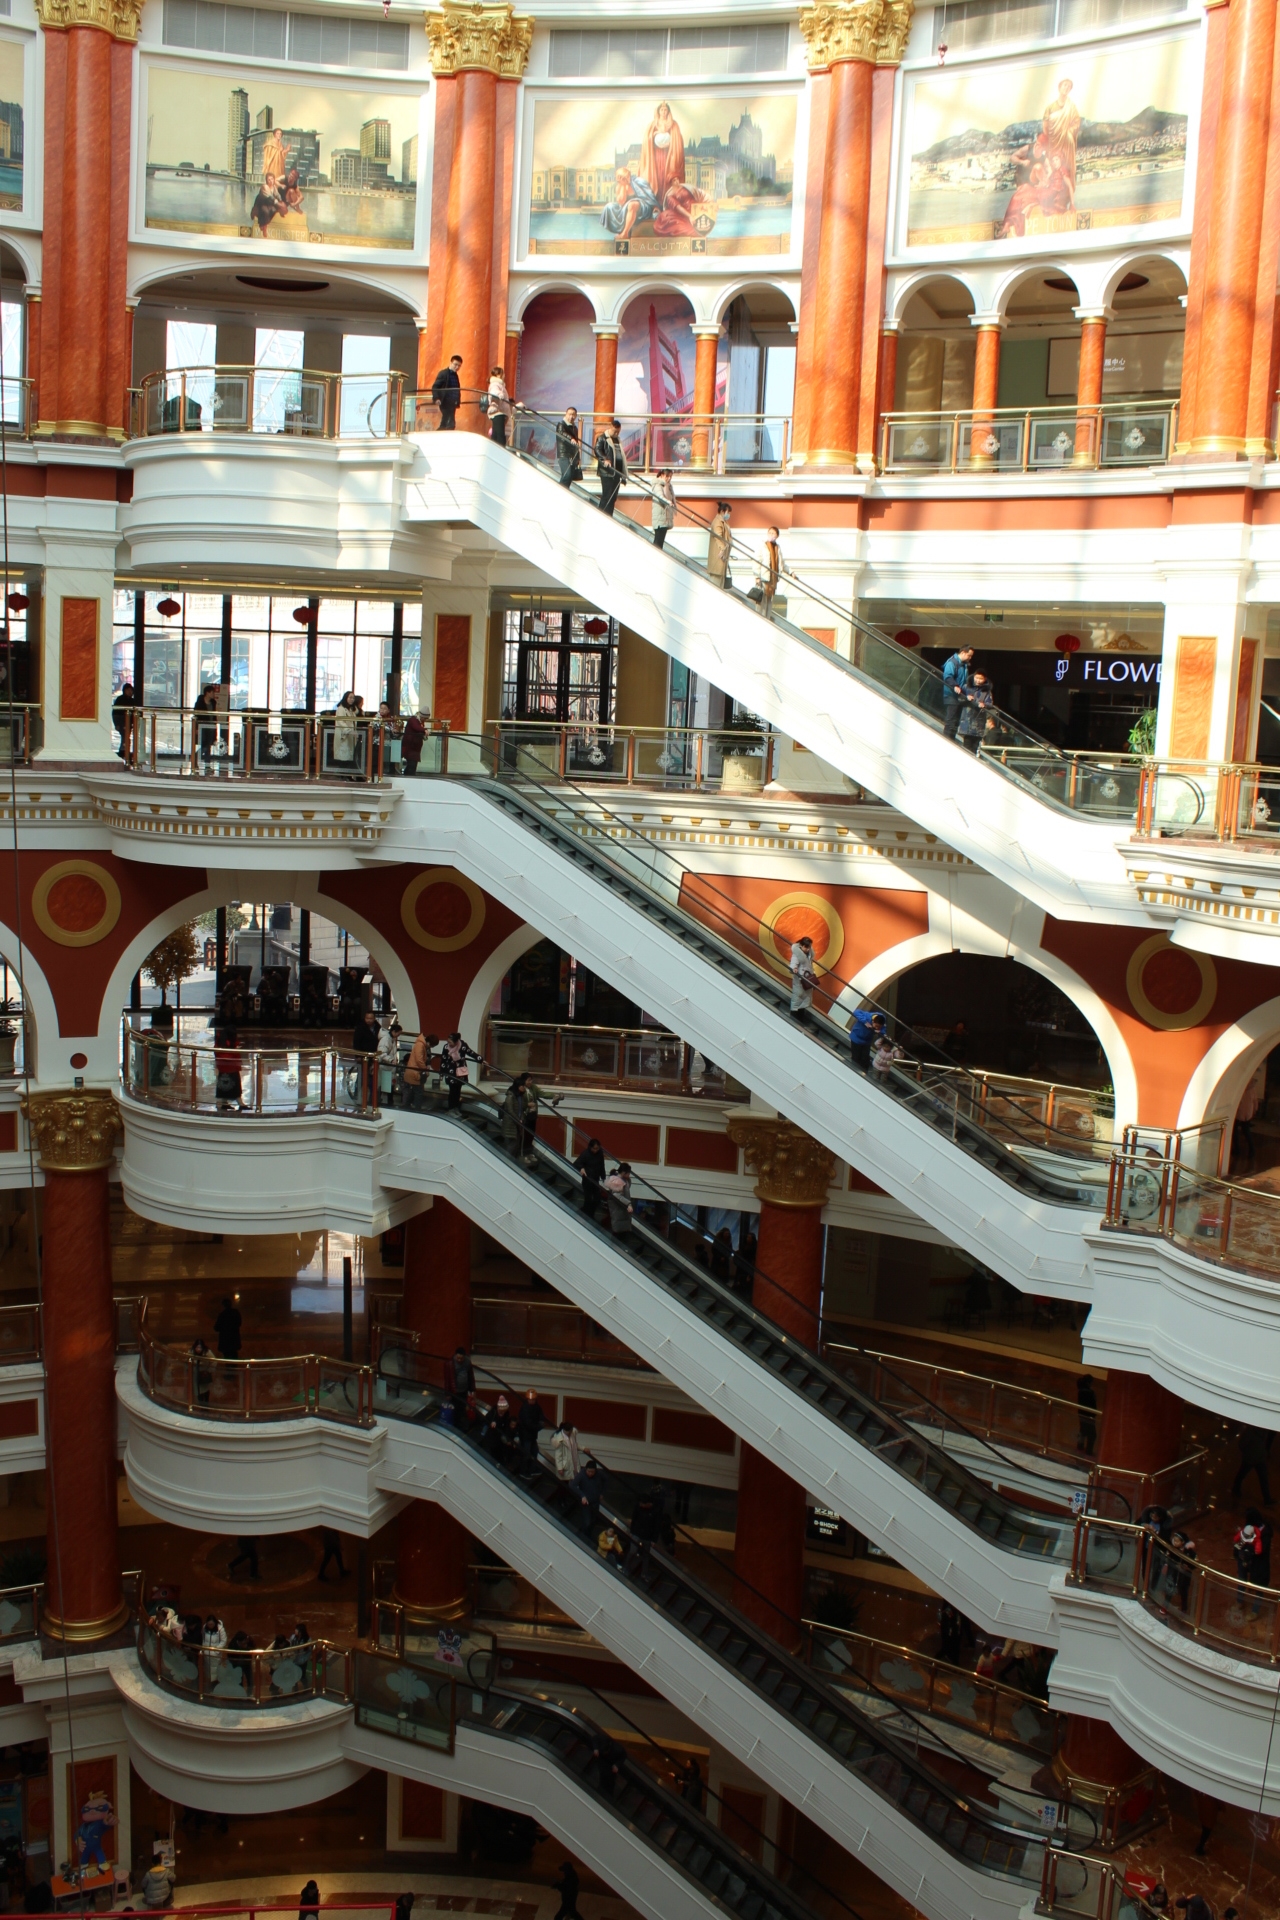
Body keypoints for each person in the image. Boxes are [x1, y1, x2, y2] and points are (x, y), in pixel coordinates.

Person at [626, 1485, 664, 1580]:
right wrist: (632, 1531)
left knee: (646, 1555)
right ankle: (625, 1568)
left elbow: (657, 1526)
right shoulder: (638, 1507)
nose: (640, 1505)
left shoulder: (656, 1511)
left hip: (648, 1536)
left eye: (642, 1504)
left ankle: (644, 1573)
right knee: (632, 1551)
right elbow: (634, 1519)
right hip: (637, 1533)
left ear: (648, 1504)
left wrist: (654, 1540)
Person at [1233, 1424, 1273, 1504]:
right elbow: (1242, 1443)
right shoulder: (1261, 1431)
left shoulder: (1253, 1430)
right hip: (1255, 1457)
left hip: (1253, 1457)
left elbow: (1242, 1444)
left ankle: (1267, 1499)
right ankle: (1267, 1500)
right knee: (1261, 1478)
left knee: (1244, 1474)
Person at [942, 645, 975, 740]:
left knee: (956, 721)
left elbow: (965, 682)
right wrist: (955, 685)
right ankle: (947, 740)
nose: (970, 658)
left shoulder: (964, 665)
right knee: (951, 721)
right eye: (969, 655)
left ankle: (951, 739)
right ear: (963, 652)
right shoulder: (952, 662)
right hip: (951, 695)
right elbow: (948, 677)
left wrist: (968, 693)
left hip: (959, 696)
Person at [594, 417, 626, 516]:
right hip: (607, 471)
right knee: (607, 495)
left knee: (613, 497)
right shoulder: (602, 438)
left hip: (617, 472)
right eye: (615, 431)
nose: (616, 433)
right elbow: (597, 450)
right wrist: (604, 459)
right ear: (610, 427)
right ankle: (602, 515)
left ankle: (609, 515)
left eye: (618, 432)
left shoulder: (618, 440)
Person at [957, 671, 994, 753]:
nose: (978, 680)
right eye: (976, 678)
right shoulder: (966, 687)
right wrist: (966, 698)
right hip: (967, 720)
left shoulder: (987, 691)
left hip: (979, 721)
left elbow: (990, 704)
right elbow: (959, 699)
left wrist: (984, 704)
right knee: (966, 745)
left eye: (981, 679)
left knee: (975, 746)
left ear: (984, 679)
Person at [516, 1386, 547, 1478]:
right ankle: (523, 1471)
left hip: (532, 1435)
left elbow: (540, 1415)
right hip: (525, 1436)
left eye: (533, 1399)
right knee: (526, 1454)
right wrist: (539, 1426)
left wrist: (540, 1422)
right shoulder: (525, 1409)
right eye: (531, 1399)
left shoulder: (536, 1406)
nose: (532, 1401)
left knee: (534, 1452)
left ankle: (532, 1469)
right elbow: (528, 1424)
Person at [573, 1136, 607, 1218]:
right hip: (587, 1179)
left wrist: (603, 1177)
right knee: (588, 1199)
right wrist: (581, 1168)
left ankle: (590, 1214)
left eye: (597, 1148)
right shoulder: (585, 1154)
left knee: (597, 1198)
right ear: (590, 1147)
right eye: (594, 1148)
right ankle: (587, 1215)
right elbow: (576, 1163)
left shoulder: (600, 1153)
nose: (596, 1150)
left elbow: (602, 1165)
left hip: (595, 1179)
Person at [400, 1030, 434, 1113]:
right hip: (415, 1072)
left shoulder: (420, 1044)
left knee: (413, 1091)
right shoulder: (420, 1045)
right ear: (429, 1042)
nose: (431, 1047)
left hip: (414, 1071)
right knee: (418, 1092)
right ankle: (417, 1110)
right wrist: (425, 1069)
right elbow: (419, 1060)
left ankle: (407, 1107)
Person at [480, 1394, 516, 1468]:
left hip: (498, 1439)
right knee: (489, 1453)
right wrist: (491, 1422)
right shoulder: (493, 1412)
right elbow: (485, 1420)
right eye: (501, 1411)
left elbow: (506, 1427)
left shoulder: (506, 1415)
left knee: (498, 1454)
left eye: (503, 1411)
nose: (502, 1413)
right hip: (490, 1437)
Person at [755, 526, 783, 617]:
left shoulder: (777, 548)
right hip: (764, 578)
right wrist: (757, 576)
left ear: (777, 536)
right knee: (761, 604)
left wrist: (791, 572)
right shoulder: (763, 545)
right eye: (770, 533)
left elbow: (781, 563)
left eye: (773, 533)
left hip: (773, 580)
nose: (771, 535)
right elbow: (757, 561)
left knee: (769, 604)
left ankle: (767, 619)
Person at [573, 1457, 604, 1536]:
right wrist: (582, 1495)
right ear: (586, 1469)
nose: (590, 1473)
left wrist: (602, 1493)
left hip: (595, 1501)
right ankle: (584, 1536)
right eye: (589, 1471)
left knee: (593, 1520)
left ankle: (588, 1534)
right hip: (586, 1503)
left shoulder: (599, 1474)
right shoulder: (581, 1475)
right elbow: (572, 1485)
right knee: (587, 1521)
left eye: (592, 1472)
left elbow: (605, 1481)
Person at [590, 1732, 626, 1798]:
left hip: (610, 1763)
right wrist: (596, 1748)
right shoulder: (603, 1739)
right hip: (601, 1760)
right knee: (603, 1775)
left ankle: (608, 1795)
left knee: (610, 1780)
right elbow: (594, 1738)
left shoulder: (618, 1749)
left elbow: (623, 1755)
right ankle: (601, 1791)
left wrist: (617, 1765)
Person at [445, 1346, 474, 1426]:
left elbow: (471, 1376)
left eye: (461, 1358)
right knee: (455, 1408)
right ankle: (455, 1423)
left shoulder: (467, 1362)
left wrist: (472, 1389)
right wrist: (447, 1393)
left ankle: (460, 1423)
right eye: (458, 1358)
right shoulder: (450, 1363)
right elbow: (447, 1379)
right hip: (455, 1391)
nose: (459, 1360)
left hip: (464, 1390)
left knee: (462, 1408)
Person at [431, 355, 463, 430]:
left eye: (459, 366)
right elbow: (435, 387)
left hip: (453, 402)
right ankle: (442, 432)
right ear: (451, 363)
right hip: (445, 401)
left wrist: (457, 401)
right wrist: (436, 398)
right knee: (450, 422)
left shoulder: (455, 375)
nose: (457, 367)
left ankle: (440, 431)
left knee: (446, 421)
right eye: (455, 364)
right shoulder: (443, 373)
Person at [789, 935, 817, 1019]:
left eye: (809, 947)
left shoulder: (809, 955)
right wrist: (794, 968)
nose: (808, 949)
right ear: (801, 945)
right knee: (797, 999)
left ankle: (800, 1017)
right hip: (800, 980)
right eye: (806, 947)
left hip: (806, 980)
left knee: (804, 1000)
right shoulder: (797, 954)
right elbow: (793, 963)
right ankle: (794, 1017)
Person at [603, 1163, 634, 1235]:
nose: (629, 1175)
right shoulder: (616, 1181)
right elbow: (617, 1195)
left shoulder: (624, 1180)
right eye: (628, 1173)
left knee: (621, 1231)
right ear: (624, 1173)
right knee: (618, 1232)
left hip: (621, 1211)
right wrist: (628, 1204)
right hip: (618, 1210)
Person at [707, 502, 732, 587]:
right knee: (715, 585)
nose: (729, 514)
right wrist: (723, 548)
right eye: (728, 512)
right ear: (722, 511)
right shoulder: (718, 522)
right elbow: (718, 536)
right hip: (719, 556)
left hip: (723, 557)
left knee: (720, 584)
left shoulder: (724, 522)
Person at [487, 365, 513, 448]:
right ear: (498, 375)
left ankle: (495, 449)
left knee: (496, 434)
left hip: (500, 411)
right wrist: (500, 394)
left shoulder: (500, 385)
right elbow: (494, 392)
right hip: (498, 411)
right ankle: (500, 450)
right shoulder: (495, 384)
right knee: (499, 435)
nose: (504, 375)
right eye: (503, 373)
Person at [112, 680, 138, 761]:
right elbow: (115, 713)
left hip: (129, 723)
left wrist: (134, 723)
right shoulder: (120, 699)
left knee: (126, 738)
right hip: (121, 722)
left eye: (131, 690)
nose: (130, 692)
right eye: (128, 690)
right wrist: (116, 724)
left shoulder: (132, 701)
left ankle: (124, 752)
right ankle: (124, 752)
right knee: (125, 738)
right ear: (125, 690)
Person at [376, 1018, 399, 1109]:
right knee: (384, 1086)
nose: (398, 1036)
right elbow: (382, 1053)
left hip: (388, 1067)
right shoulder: (386, 1040)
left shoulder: (391, 1039)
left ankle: (386, 1102)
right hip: (385, 1067)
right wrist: (391, 1060)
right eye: (398, 1033)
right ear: (394, 1032)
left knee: (387, 1086)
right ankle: (383, 1102)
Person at [556, 406, 582, 486]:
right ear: (566, 414)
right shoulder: (561, 424)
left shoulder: (574, 427)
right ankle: (560, 490)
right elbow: (561, 434)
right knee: (567, 475)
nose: (571, 417)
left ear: (576, 416)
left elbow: (576, 443)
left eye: (573, 415)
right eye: (569, 414)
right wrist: (571, 439)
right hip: (563, 454)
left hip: (572, 456)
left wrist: (577, 457)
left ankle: (563, 490)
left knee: (569, 477)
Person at [333, 690, 359, 770]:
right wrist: (349, 730)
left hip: (351, 735)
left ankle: (347, 773)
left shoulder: (351, 709)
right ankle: (342, 773)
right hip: (343, 735)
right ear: (345, 698)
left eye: (353, 698)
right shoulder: (341, 708)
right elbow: (340, 722)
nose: (352, 700)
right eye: (350, 698)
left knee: (349, 756)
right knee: (343, 756)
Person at [651, 470, 676, 550]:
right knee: (658, 542)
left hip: (665, 518)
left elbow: (671, 498)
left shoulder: (668, 486)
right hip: (660, 518)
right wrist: (668, 502)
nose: (669, 478)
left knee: (660, 542)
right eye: (667, 476)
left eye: (670, 476)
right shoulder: (658, 485)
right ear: (662, 475)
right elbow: (660, 497)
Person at [1075, 1374, 1098, 1456]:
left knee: (1083, 1431)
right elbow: (1093, 1406)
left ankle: (1080, 1448)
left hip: (1082, 1415)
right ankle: (1088, 1451)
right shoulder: (1089, 1392)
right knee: (1092, 1435)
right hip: (1089, 1416)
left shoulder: (1081, 1391)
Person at [214, 1295, 242, 1361]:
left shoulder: (222, 1315)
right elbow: (239, 1323)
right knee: (234, 1356)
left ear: (223, 1305)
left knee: (227, 1358)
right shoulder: (235, 1313)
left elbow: (216, 1328)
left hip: (225, 1341)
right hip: (234, 1339)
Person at [849, 1005, 876, 1071]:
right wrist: (865, 1022)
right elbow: (856, 1012)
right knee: (856, 1056)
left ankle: (864, 1071)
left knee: (865, 1058)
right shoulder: (867, 1016)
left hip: (866, 1041)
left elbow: (882, 1030)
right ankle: (855, 1070)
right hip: (856, 1039)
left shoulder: (880, 1023)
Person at [401, 710, 427, 776]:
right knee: (411, 766)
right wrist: (425, 730)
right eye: (425, 718)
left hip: (414, 748)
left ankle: (407, 777)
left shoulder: (419, 722)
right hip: (410, 747)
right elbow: (416, 727)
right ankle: (408, 778)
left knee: (411, 766)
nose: (425, 720)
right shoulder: (413, 720)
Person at [201, 1612, 227, 1677]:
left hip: (216, 1655)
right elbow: (203, 1638)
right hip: (206, 1654)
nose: (210, 1626)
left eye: (212, 1624)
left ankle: (215, 1682)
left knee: (215, 1672)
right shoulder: (204, 1627)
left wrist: (216, 1651)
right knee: (208, 1672)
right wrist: (204, 1649)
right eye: (209, 1624)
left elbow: (223, 1641)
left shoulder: (220, 1629)